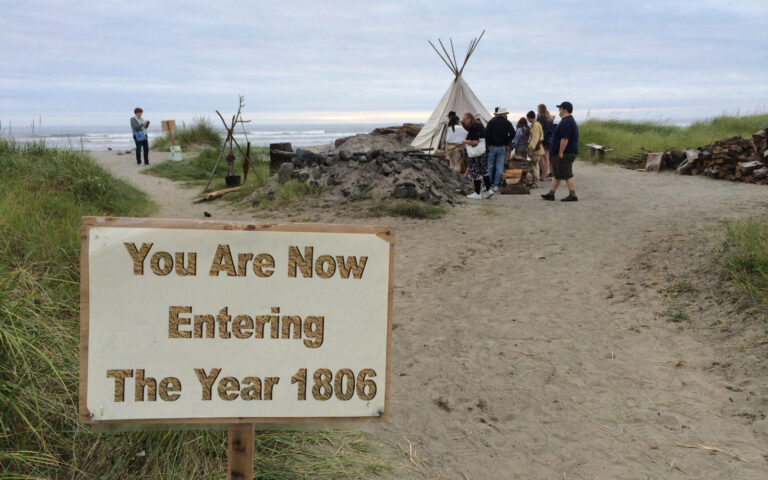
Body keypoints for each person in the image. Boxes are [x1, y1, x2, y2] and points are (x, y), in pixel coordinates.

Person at [541, 101, 579, 202]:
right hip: (562, 153)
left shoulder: (567, 121)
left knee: (567, 174)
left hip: (565, 153)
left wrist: (561, 152)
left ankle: (573, 195)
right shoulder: (566, 120)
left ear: (564, 109)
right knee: (557, 175)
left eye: (560, 108)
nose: (559, 110)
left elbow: (565, 139)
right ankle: (551, 194)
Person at [462, 113, 493, 199]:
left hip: (475, 153)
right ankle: (488, 190)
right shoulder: (480, 125)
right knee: (484, 171)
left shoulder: (473, 127)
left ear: (469, 119)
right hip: (483, 151)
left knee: (475, 172)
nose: (464, 122)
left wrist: (465, 141)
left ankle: (477, 193)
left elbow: (475, 142)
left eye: (465, 119)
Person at [484, 108, 513, 191]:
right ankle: (497, 185)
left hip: (492, 147)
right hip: (502, 147)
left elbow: (486, 133)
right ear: (504, 114)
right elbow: (513, 133)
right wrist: (506, 142)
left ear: (497, 114)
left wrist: (489, 143)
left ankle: (487, 185)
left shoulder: (491, 122)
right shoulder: (507, 122)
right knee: (499, 167)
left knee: (490, 166)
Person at [525, 111, 545, 188]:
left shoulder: (536, 125)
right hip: (536, 149)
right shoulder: (535, 125)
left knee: (534, 166)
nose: (527, 120)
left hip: (536, 150)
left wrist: (529, 148)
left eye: (527, 118)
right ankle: (535, 182)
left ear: (530, 118)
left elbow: (535, 138)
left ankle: (536, 183)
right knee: (534, 166)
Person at [537, 104, 555, 180]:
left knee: (542, 157)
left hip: (542, 140)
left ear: (539, 109)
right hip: (548, 139)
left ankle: (543, 175)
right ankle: (545, 175)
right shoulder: (547, 118)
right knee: (546, 157)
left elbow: (539, 129)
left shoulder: (540, 117)